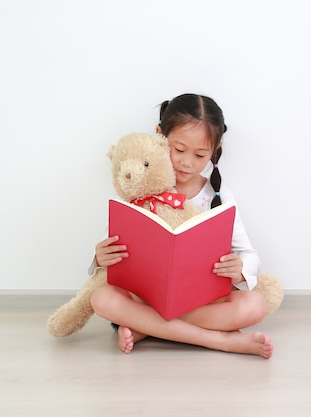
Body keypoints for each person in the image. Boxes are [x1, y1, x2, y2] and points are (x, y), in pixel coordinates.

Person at [90, 93, 273, 359]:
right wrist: (99, 256)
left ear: (215, 150)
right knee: (101, 298)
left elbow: (249, 254)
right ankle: (220, 340)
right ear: (159, 135)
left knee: (255, 305)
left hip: (199, 299)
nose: (187, 162)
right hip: (145, 296)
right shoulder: (140, 186)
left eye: (200, 154)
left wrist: (240, 270)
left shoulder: (218, 197)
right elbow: (115, 243)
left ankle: (147, 327)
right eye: (179, 150)